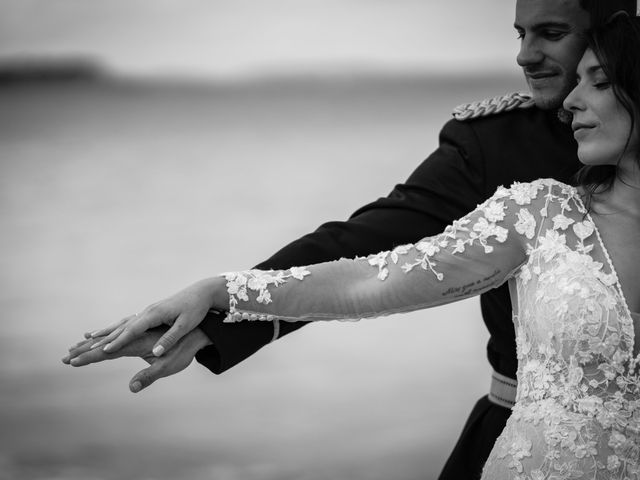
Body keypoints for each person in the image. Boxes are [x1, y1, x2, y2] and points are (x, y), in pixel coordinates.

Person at [62, 0, 638, 478]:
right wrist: (218, 305)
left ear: (615, 35)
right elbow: (367, 259)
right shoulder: (504, 158)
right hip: (529, 431)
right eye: (519, 33)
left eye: (553, 34)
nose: (524, 54)